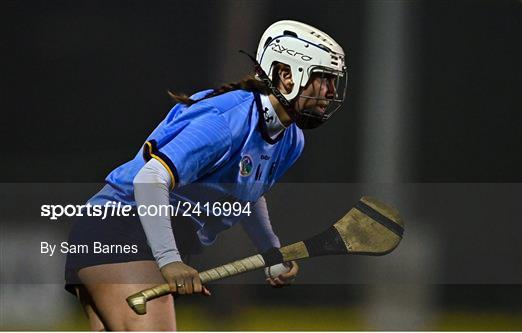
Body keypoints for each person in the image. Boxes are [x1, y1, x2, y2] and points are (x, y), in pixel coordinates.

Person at [65, 20, 347, 331]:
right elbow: (150, 179)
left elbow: (246, 194)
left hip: (131, 236)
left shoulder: (291, 139)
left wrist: (271, 251)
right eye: (324, 79)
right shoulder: (225, 121)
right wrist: (169, 260)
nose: (331, 91)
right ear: (286, 74)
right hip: (119, 229)